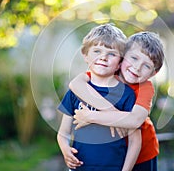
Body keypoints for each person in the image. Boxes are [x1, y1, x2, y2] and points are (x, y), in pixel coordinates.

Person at [69, 31, 164, 171]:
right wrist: (112, 112)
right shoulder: (106, 73)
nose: (137, 67)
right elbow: (75, 84)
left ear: (153, 74)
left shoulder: (145, 88)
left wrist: (90, 117)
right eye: (134, 58)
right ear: (122, 56)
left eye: (147, 66)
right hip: (114, 152)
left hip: (143, 153)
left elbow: (135, 120)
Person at [57, 23, 142, 171]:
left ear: (120, 63)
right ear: (85, 56)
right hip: (81, 167)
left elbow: (135, 140)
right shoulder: (75, 92)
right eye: (97, 51)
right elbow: (63, 132)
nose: (103, 57)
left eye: (111, 54)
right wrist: (65, 149)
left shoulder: (126, 94)